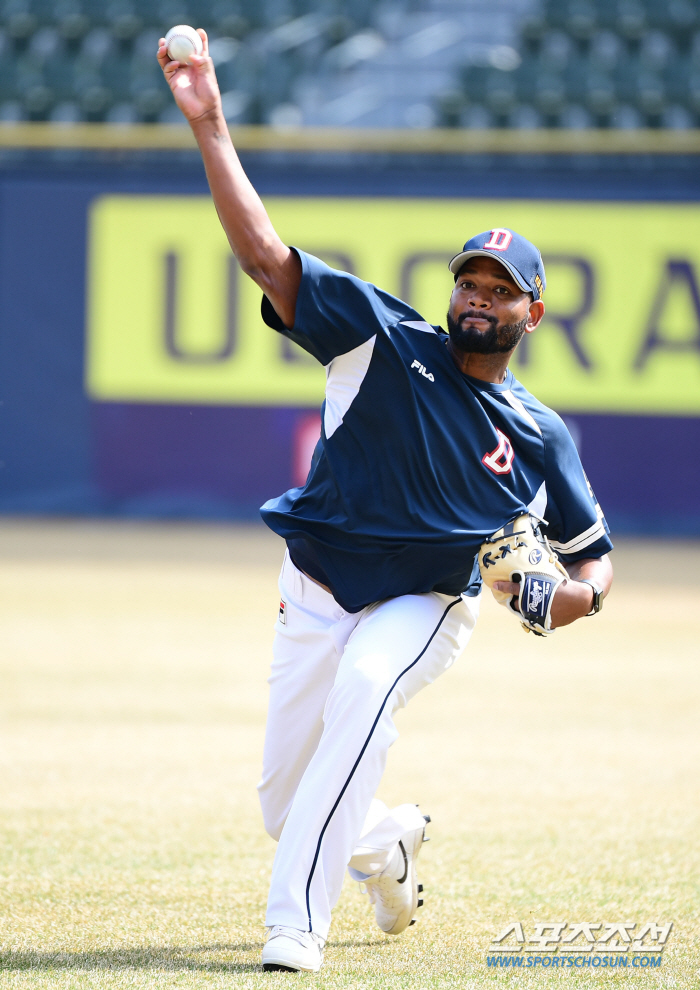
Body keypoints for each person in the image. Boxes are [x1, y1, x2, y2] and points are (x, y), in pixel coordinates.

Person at [158, 31, 614, 974]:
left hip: (425, 603)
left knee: (367, 694)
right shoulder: (380, 338)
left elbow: (592, 561)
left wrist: (560, 597)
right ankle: (386, 841)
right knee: (284, 805)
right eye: (470, 282)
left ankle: (295, 930)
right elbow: (262, 257)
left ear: (534, 313)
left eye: (503, 289)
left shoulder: (539, 432)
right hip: (318, 583)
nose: (481, 296)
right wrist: (211, 125)